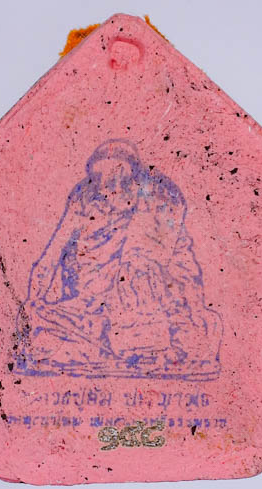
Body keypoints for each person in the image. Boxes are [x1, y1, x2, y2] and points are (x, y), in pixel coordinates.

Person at [14, 139, 223, 380]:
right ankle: (101, 344)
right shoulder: (84, 203)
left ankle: (143, 347)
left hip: (149, 306)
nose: (109, 189)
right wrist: (33, 301)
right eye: (102, 180)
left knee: (137, 270)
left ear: (133, 179)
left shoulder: (159, 206)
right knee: (41, 330)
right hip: (90, 307)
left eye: (117, 178)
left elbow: (182, 274)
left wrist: (191, 315)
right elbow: (50, 258)